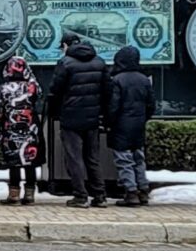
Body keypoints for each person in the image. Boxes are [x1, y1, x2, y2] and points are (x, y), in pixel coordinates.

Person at [47, 35, 111, 205]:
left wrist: (53, 113)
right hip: (92, 119)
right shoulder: (99, 62)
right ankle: (100, 196)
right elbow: (108, 91)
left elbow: (55, 90)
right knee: (93, 158)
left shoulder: (65, 63)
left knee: (74, 158)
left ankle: (80, 195)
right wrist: (103, 114)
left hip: (71, 118)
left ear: (65, 45)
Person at [105, 45, 155, 209]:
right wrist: (142, 118)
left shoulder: (117, 80)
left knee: (124, 159)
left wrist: (108, 122)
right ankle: (143, 189)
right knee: (138, 157)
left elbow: (113, 106)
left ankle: (131, 191)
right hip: (138, 124)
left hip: (121, 125)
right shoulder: (143, 79)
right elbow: (151, 105)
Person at [0, 55, 45, 206]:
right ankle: (29, 195)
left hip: (11, 129)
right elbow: (40, 94)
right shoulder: (32, 87)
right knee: (30, 162)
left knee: (14, 162)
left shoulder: (1, 89)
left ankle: (13, 195)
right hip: (31, 129)